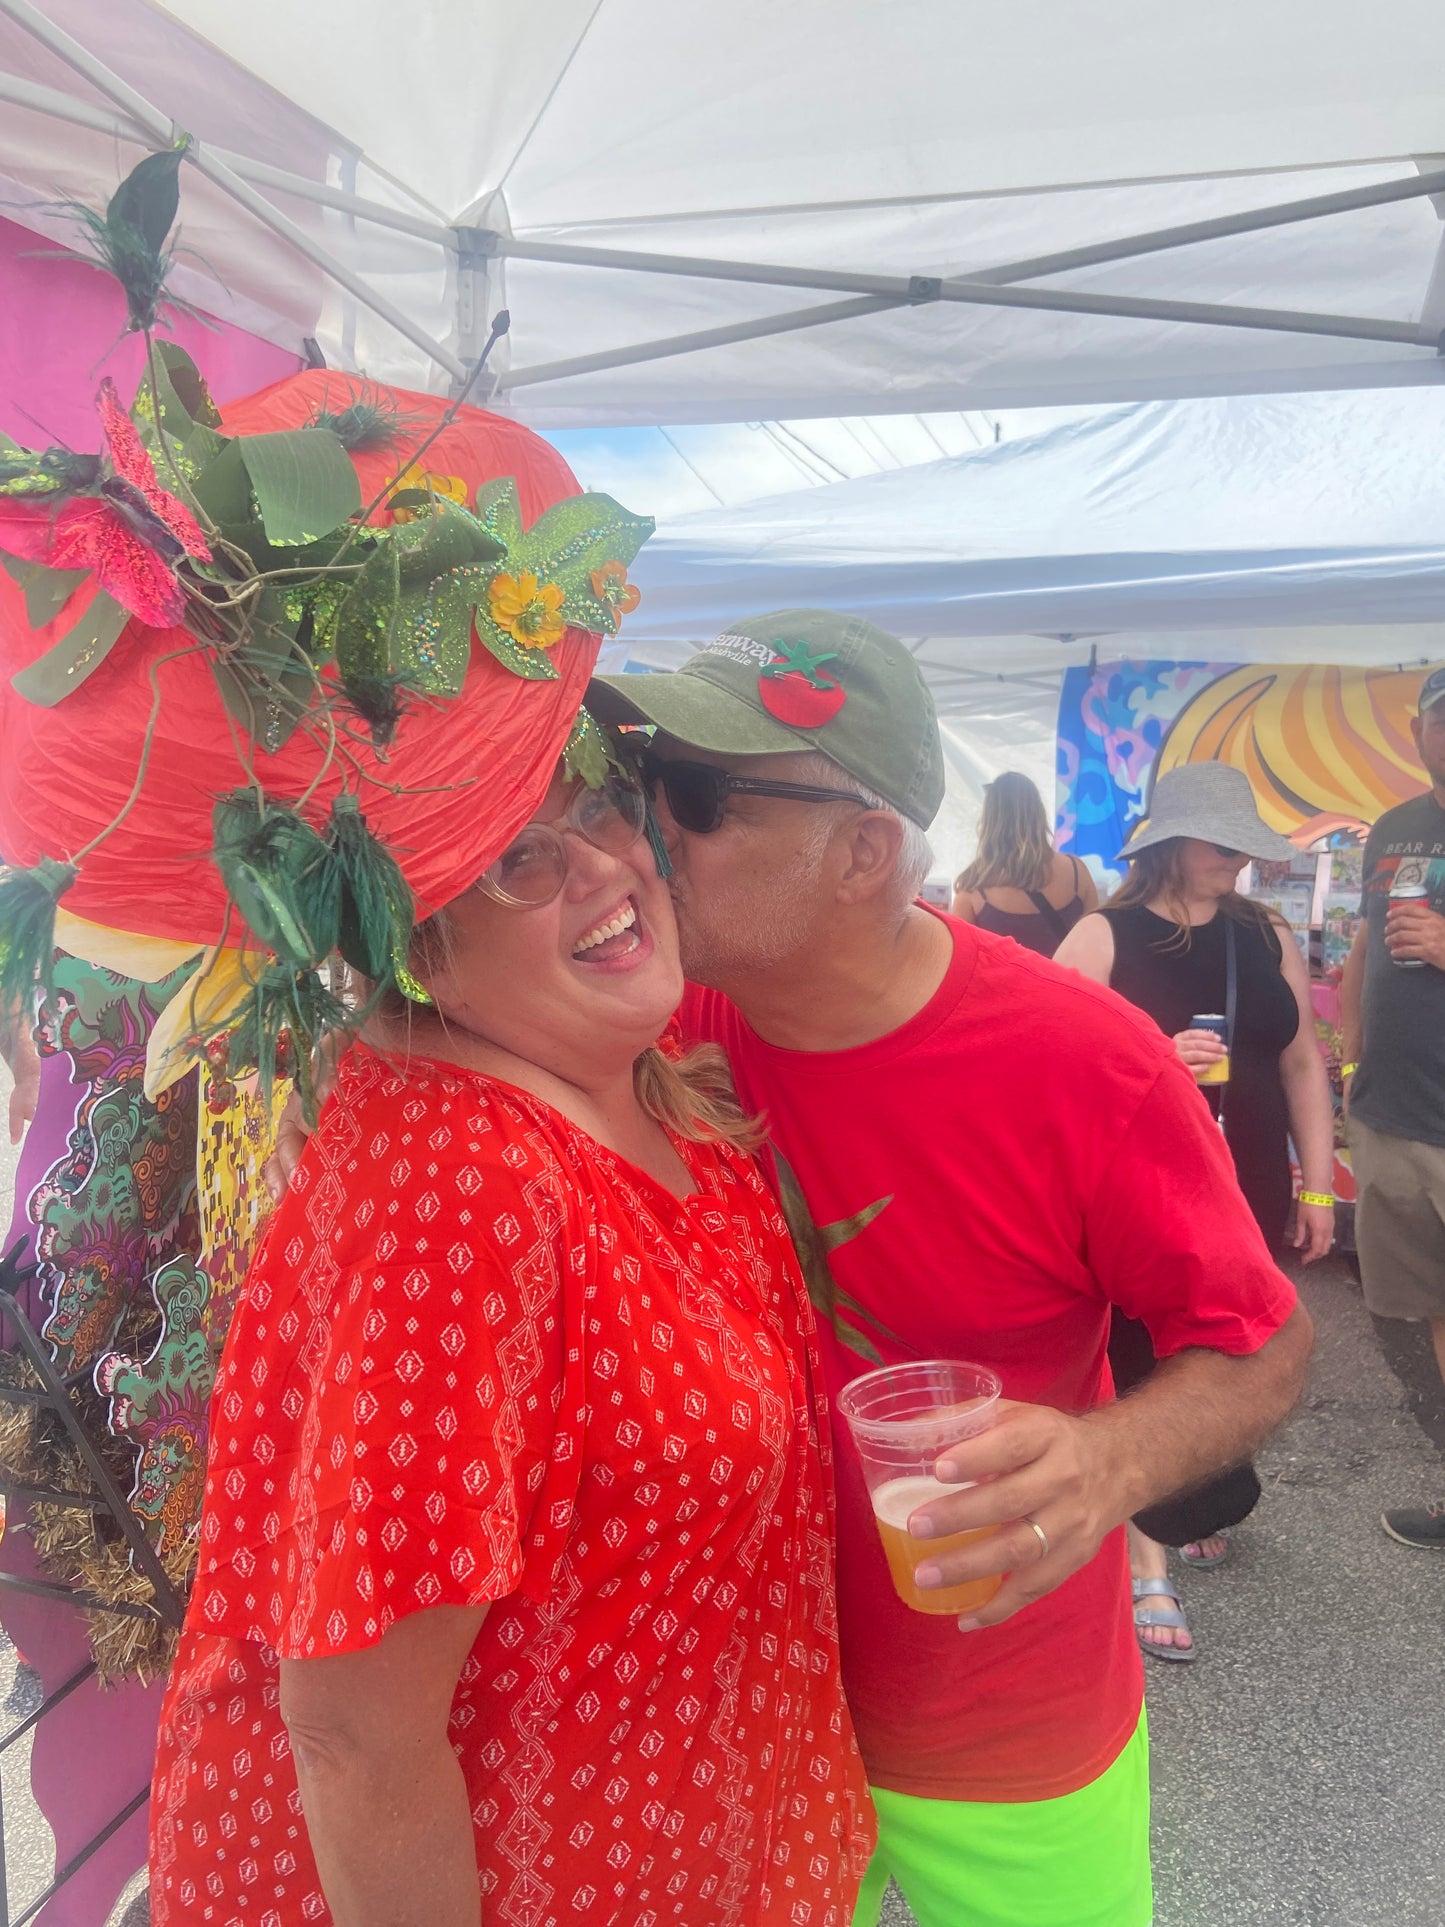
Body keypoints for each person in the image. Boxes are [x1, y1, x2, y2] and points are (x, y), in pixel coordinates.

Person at [589, 610, 1313, 1927]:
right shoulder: (644, 1017)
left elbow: (1260, 1339)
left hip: (1002, 1717)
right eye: (641, 783)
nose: (647, 832)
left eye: (692, 795)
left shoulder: (1083, 1062)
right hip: (743, 1711)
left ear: (863, 850)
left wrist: (1108, 1460)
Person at [149, 761, 873, 1925]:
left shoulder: (625, 1070)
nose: (598, 859)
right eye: (511, 857)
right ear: (414, 944)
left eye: (589, 803)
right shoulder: (460, 1187)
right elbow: (353, 1736)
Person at [1054, 764, 1336, 1660]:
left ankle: (1199, 1490)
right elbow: (1041, 1067)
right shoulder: (1104, 933)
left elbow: (1300, 1065)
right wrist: (1148, 1052)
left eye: (1245, 848)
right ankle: (1147, 1562)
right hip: (1137, 1191)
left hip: (1246, 1182)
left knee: (1230, 1344)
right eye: (1223, 845)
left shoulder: (1260, 931)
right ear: (1171, 841)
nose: (1239, 863)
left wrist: (1319, 1183)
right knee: (1141, 1352)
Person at [1340, 663, 1445, 1551]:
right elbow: (1367, 945)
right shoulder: (1395, 827)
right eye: (1442, 717)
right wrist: (1346, 1049)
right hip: (1392, 1110)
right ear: (1419, 730)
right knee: (1427, 1308)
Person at [951, 770, 1097, 956]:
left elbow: (960, 959)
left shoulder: (973, 887)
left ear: (989, 820)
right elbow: (1094, 945)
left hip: (1001, 986)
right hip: (1061, 985)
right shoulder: (1077, 873)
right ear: (1039, 813)